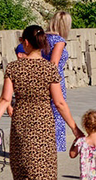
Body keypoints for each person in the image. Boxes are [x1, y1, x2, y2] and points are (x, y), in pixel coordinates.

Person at [0, 25, 83, 180]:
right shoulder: (49, 69)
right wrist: (75, 129)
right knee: (36, 170)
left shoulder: (14, 67)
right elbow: (59, 103)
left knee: (25, 169)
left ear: (27, 42)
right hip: (42, 124)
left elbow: (5, 99)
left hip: (20, 123)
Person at [15, 11, 71, 152]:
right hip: (53, 80)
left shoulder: (42, 37)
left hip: (37, 78)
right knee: (56, 113)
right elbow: (54, 64)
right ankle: (52, 148)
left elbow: (22, 48)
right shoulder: (59, 41)